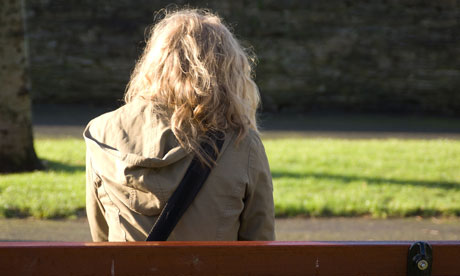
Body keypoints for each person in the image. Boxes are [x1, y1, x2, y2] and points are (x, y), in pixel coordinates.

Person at [84, 8, 275, 241]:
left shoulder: (102, 131)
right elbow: (260, 245)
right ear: (227, 71)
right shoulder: (241, 143)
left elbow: (101, 237)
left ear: (154, 63)